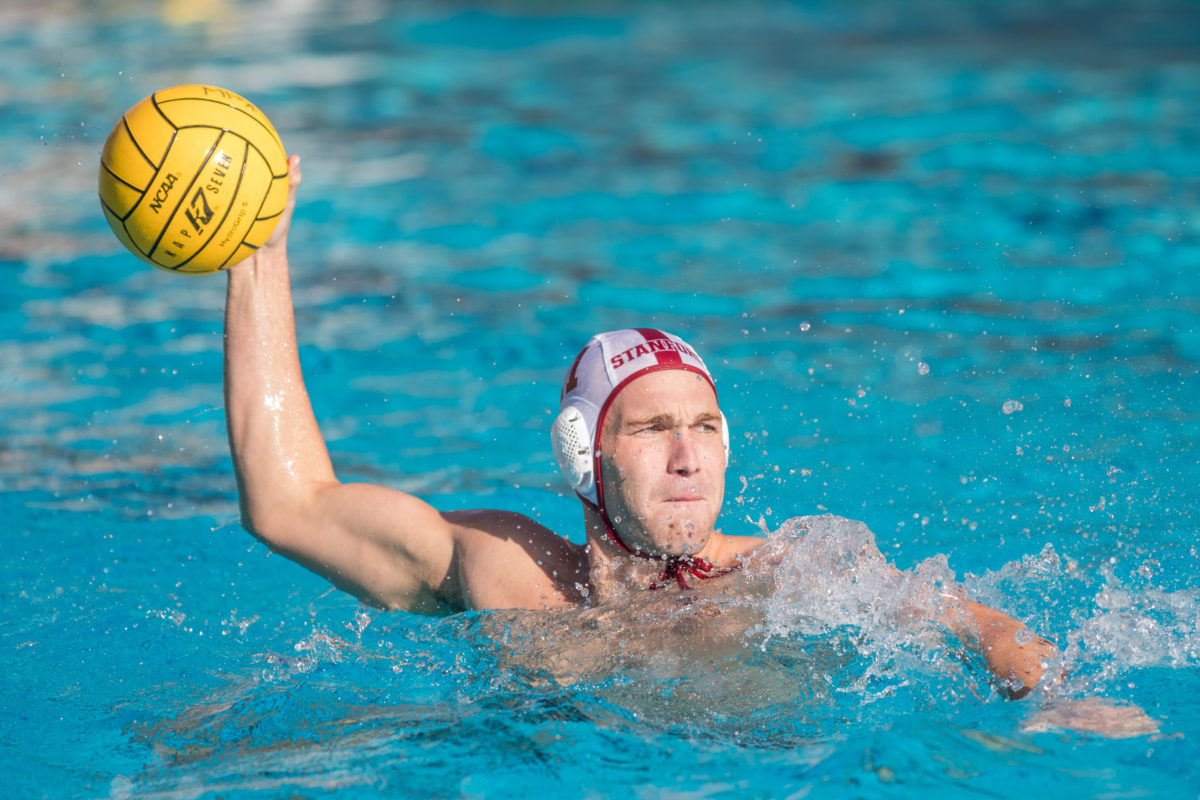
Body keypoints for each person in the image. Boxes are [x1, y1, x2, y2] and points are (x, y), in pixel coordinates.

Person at [224, 155, 1058, 698]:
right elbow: (289, 506)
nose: (691, 456)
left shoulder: (792, 572)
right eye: (655, 429)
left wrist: (1053, 704)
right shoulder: (505, 571)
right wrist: (258, 258)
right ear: (584, 456)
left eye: (705, 427)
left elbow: (974, 620)